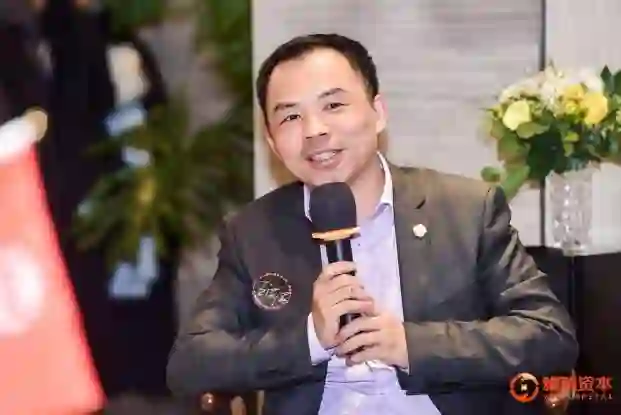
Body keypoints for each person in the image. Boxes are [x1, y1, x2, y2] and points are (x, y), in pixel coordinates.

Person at [167, 33, 578, 415]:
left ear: (378, 113)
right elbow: (191, 363)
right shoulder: (253, 231)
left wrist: (410, 345)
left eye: (333, 106)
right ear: (273, 142)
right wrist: (310, 339)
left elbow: (549, 334)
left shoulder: (466, 211)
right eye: (290, 116)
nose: (315, 131)